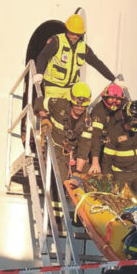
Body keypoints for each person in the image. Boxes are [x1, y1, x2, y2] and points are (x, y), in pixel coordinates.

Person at [33, 82, 91, 223]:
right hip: (56, 147)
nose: (79, 108)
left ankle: (82, 217)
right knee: (59, 175)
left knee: (89, 177)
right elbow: (39, 102)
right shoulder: (58, 104)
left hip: (73, 152)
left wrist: (78, 171)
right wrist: (44, 117)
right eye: (77, 104)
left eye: (83, 105)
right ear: (71, 100)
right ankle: (56, 218)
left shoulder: (87, 121)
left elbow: (84, 148)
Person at [35, 14, 118, 99]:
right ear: (67, 30)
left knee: (69, 111)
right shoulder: (57, 41)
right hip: (53, 87)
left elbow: (97, 63)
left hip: (70, 89)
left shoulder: (83, 47)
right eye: (72, 33)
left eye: (78, 34)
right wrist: (39, 73)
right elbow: (43, 56)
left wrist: (113, 79)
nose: (75, 36)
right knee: (52, 110)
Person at [100, 100, 137, 201]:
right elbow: (107, 161)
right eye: (130, 125)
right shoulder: (114, 132)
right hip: (121, 174)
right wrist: (110, 181)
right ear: (124, 117)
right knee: (123, 205)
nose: (132, 128)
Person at [76, 83, 127, 175]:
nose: (114, 103)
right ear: (105, 98)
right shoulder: (98, 111)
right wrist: (95, 162)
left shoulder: (125, 107)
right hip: (99, 141)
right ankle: (79, 170)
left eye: (118, 100)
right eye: (111, 99)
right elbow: (96, 136)